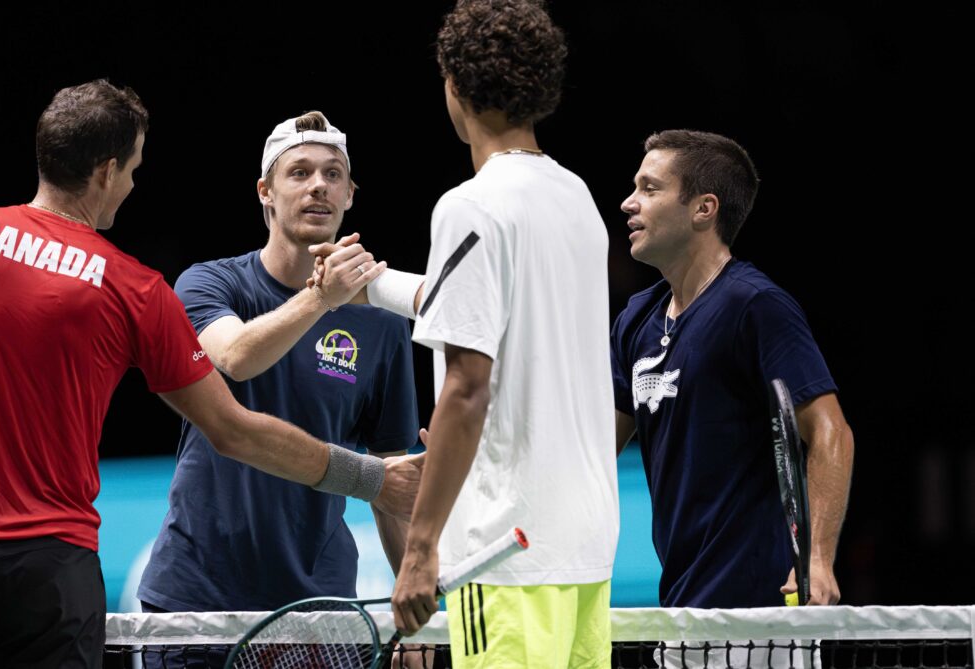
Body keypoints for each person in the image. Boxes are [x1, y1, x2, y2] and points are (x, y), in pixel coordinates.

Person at [0, 79, 423, 669]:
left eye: (332, 175)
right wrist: (369, 477)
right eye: (133, 169)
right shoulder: (135, 287)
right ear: (106, 171)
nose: (132, 185)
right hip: (61, 576)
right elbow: (232, 423)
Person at [313, 2, 619, 666]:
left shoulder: (470, 204)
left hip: (502, 549)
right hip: (586, 550)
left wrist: (421, 547)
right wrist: (373, 282)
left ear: (456, 86)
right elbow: (493, 310)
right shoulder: (577, 202)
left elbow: (468, 386)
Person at [135, 110, 419, 666]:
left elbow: (392, 478)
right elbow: (237, 357)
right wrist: (323, 298)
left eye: (334, 174)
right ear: (265, 191)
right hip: (198, 601)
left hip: (321, 610)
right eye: (300, 172)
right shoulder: (210, 283)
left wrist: (414, 615)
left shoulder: (383, 325)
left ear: (351, 195)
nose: (319, 185)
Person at [611, 129, 854, 609]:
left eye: (650, 188)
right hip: (681, 607)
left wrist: (817, 559)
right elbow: (593, 451)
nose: (628, 202)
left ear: (704, 209)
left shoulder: (756, 306)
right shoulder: (636, 320)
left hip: (762, 611)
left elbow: (831, 432)